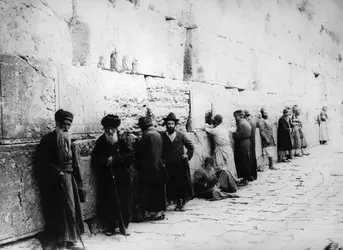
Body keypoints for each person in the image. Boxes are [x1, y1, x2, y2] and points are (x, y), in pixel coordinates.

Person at [34, 109, 85, 250]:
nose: (66, 127)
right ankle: (60, 241)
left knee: (72, 209)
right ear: (57, 123)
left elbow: (74, 163)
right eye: (64, 124)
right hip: (55, 183)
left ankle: (71, 239)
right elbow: (41, 162)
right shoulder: (48, 140)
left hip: (70, 179)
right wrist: (56, 172)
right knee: (59, 211)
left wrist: (79, 183)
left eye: (69, 124)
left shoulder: (69, 140)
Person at [91, 115, 134, 236]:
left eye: (112, 129)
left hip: (122, 177)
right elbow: (95, 158)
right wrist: (105, 161)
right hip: (107, 178)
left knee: (123, 201)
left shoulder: (123, 140)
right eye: (107, 129)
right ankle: (110, 226)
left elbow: (131, 155)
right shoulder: (101, 141)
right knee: (108, 202)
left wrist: (116, 159)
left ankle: (123, 226)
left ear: (116, 129)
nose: (110, 132)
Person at [136, 116, 167, 220]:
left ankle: (155, 212)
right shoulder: (157, 133)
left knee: (152, 191)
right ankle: (160, 211)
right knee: (158, 190)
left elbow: (142, 152)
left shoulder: (147, 135)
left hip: (150, 168)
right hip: (158, 166)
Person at [162, 112, 194, 211]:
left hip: (180, 164)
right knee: (172, 184)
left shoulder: (180, 135)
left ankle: (183, 202)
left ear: (175, 125)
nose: (170, 126)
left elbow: (191, 146)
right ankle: (177, 202)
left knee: (182, 184)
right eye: (169, 124)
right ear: (166, 124)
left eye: (172, 124)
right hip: (168, 164)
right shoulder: (162, 136)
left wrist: (187, 155)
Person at [204, 114, 239, 193]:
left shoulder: (215, 130)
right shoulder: (224, 128)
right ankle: (232, 181)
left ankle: (224, 184)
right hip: (228, 148)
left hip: (221, 149)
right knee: (230, 166)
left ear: (215, 122)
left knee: (220, 166)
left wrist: (206, 125)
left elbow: (206, 129)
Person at [233, 110, 252, 186]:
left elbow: (239, 136)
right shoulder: (246, 122)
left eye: (235, 117)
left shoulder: (241, 124)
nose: (235, 118)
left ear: (237, 116)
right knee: (246, 160)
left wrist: (234, 133)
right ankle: (247, 177)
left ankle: (245, 179)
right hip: (247, 142)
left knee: (243, 161)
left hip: (242, 143)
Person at [244, 110, 258, 180]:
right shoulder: (253, 121)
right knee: (253, 158)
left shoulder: (248, 122)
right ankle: (254, 175)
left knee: (250, 159)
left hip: (250, 142)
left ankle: (252, 175)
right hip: (253, 141)